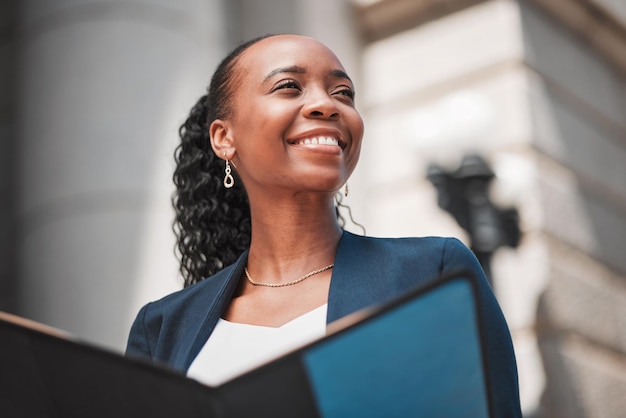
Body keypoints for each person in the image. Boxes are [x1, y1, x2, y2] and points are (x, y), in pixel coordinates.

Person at [126, 34, 522, 416]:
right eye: (289, 86)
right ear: (223, 137)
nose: (326, 105)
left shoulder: (430, 272)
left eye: (343, 93)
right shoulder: (163, 328)